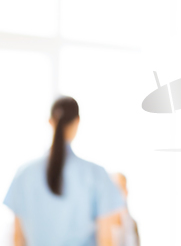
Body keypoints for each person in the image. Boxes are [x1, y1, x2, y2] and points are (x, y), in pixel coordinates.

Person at [3, 96, 125, 246]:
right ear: (77, 122)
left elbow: (18, 239)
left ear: (50, 122)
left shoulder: (24, 174)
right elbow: (106, 241)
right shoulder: (96, 175)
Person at [111, 173, 141, 246]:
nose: (125, 191)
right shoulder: (99, 224)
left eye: (124, 187)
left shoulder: (132, 223)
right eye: (119, 187)